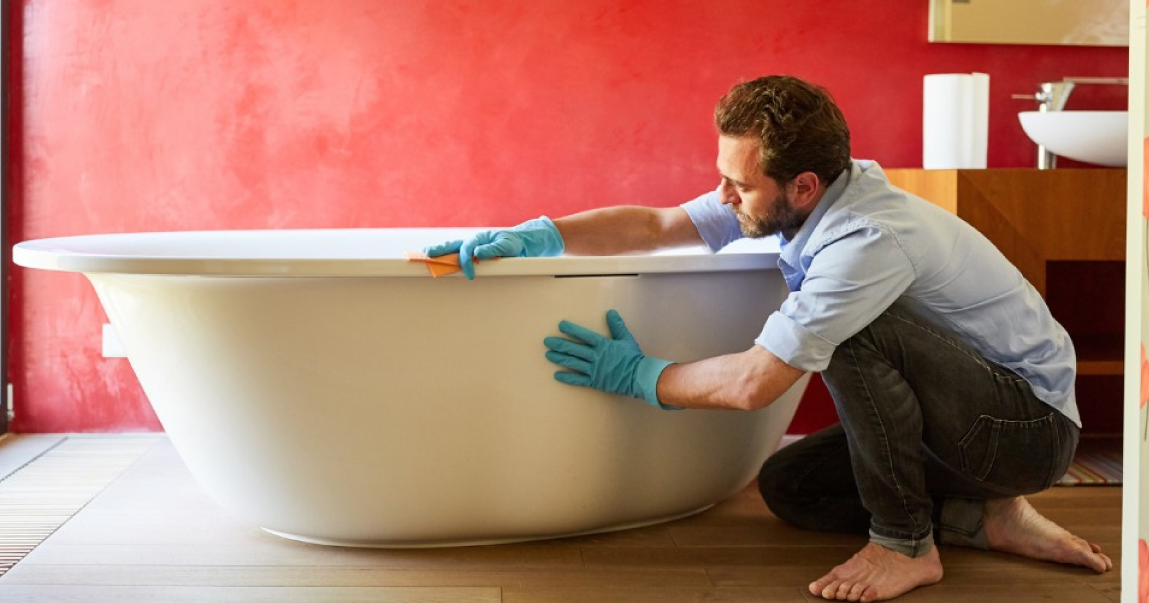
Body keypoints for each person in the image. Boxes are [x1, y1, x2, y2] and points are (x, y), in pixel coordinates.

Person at [424, 75, 1112, 602]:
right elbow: (661, 227)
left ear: (803, 185)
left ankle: (906, 543)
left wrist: (638, 375)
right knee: (792, 487)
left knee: (848, 332)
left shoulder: (865, 241)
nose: (722, 197)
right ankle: (985, 515)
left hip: (1025, 427)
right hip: (966, 419)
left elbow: (758, 381)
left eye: (737, 185)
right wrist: (540, 234)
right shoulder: (814, 192)